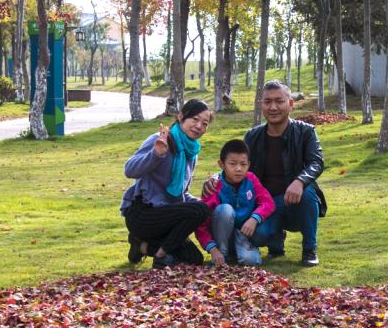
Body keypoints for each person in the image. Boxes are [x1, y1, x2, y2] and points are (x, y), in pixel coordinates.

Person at [204, 80, 326, 266]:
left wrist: (300, 181)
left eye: (279, 101)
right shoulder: (253, 136)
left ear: (290, 104)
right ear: (261, 105)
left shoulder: (306, 132)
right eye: (267, 102)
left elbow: (316, 162)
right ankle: (275, 239)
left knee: (308, 192)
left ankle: (309, 249)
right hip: (264, 205)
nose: (273, 107)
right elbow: (237, 164)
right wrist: (216, 177)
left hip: (296, 201)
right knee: (257, 236)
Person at [120, 99, 212, 269]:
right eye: (195, 119)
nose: (199, 126)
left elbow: (181, 193)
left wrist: (199, 202)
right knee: (200, 210)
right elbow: (129, 170)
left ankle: (141, 246)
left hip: (166, 216)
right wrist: (156, 154)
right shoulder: (160, 139)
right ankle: (161, 255)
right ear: (181, 116)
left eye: (204, 123)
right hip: (143, 213)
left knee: (194, 258)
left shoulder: (191, 151)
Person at [195, 139, 275, 266]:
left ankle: (237, 251)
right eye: (232, 164)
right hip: (220, 233)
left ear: (249, 164)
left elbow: (268, 202)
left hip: (243, 234)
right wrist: (213, 249)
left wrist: (254, 218)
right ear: (222, 164)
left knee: (252, 261)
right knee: (225, 210)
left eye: (243, 164)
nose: (238, 169)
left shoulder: (251, 179)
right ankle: (222, 253)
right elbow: (200, 222)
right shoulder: (214, 185)